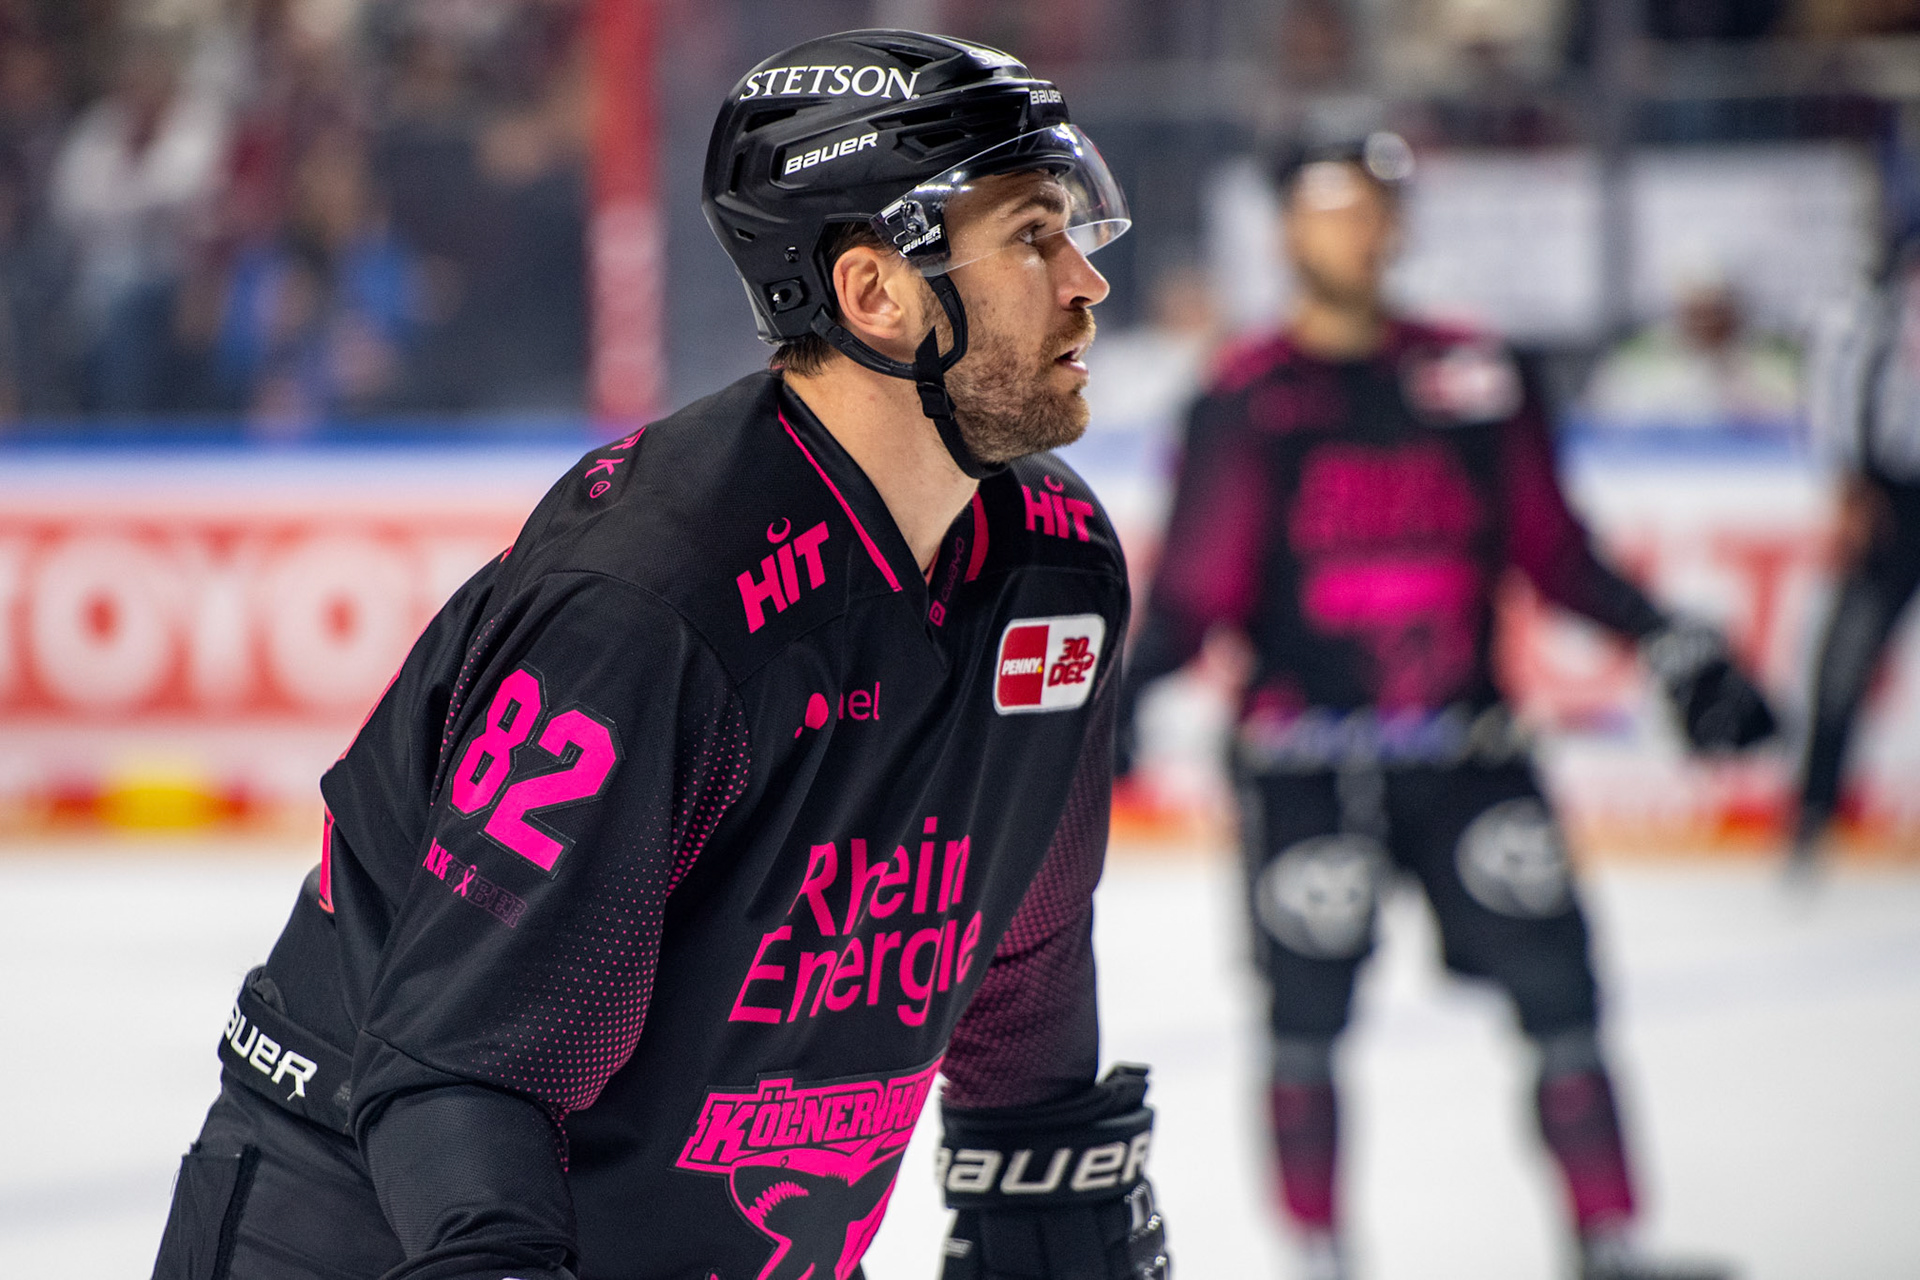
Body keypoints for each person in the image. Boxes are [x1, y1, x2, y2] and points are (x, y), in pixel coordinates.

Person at [152, 30, 1168, 1280]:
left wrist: (1045, 1186)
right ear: (876, 295)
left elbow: (1018, 942)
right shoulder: (654, 597)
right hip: (363, 1232)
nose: (1086, 278)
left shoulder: (1056, 575)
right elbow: (465, 1065)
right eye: (1028, 235)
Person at [1117, 131, 1775, 1280]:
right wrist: (1110, 701)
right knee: (1305, 1022)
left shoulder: (1475, 372)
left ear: (1400, 224)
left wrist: (1670, 641)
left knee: (1562, 989)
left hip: (1472, 746)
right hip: (1300, 762)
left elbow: (1554, 550)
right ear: (1286, 230)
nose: (1356, 229)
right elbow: (1195, 592)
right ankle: (1319, 1256)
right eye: (1328, 207)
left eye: (1375, 204)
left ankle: (1610, 1243)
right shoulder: (1246, 396)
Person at [1793, 232, 1920, 870]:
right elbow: (1841, 387)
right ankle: (1814, 813)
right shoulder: (1875, 310)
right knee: (1842, 662)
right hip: (1892, 499)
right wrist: (1851, 482)